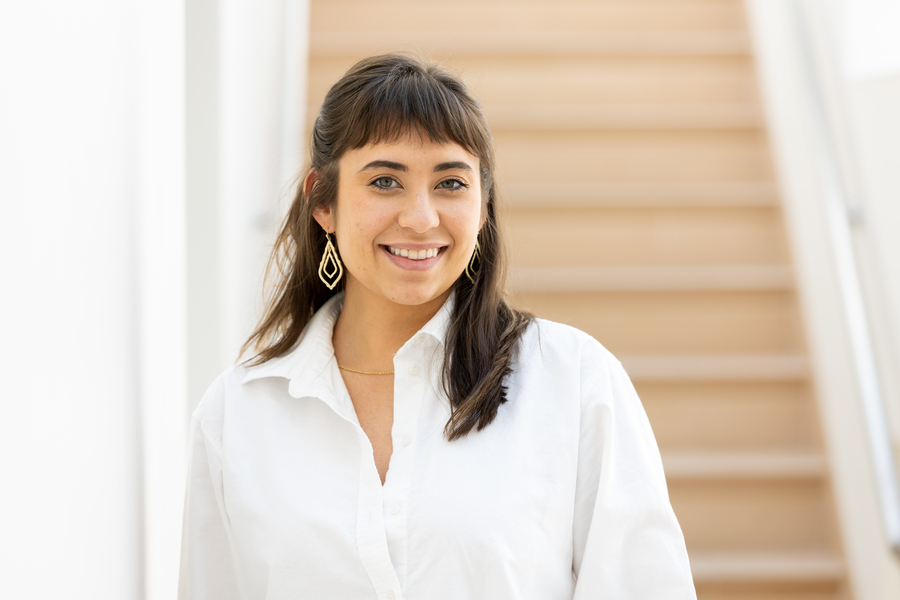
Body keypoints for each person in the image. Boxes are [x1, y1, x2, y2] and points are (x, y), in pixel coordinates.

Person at [178, 53, 696, 600]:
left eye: (450, 183)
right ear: (323, 203)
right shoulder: (236, 414)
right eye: (384, 181)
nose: (421, 218)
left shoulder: (574, 381)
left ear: (483, 207)